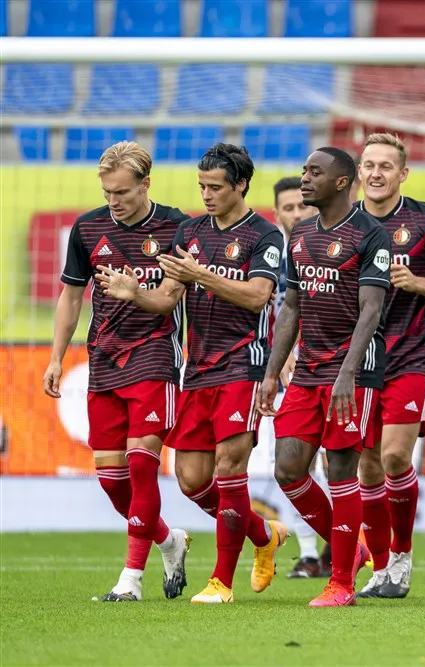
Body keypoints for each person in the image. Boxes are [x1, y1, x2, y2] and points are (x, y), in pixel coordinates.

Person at [97, 143, 287, 604]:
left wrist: (201, 274)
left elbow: (257, 296)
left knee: (229, 469)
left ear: (241, 185)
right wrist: (134, 293)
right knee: (191, 480)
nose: (206, 194)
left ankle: (221, 582)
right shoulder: (190, 231)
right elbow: (167, 298)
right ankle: (264, 535)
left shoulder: (264, 235)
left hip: (243, 364)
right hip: (198, 368)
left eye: (215, 187)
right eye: (202, 186)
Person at [44, 141, 190, 602]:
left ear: (146, 184)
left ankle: (131, 579)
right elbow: (71, 296)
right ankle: (169, 540)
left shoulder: (177, 227)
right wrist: (56, 357)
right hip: (104, 360)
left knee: (142, 466)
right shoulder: (88, 228)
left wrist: (135, 292)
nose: (113, 200)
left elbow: (171, 298)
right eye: (107, 192)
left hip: (155, 355)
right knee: (112, 481)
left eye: (122, 192)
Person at [261, 147, 391, 608]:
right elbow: (291, 308)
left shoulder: (371, 234)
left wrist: (348, 374)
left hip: (354, 372)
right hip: (308, 371)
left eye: (314, 172)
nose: (304, 179)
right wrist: (272, 372)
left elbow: (371, 310)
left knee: (340, 470)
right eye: (304, 171)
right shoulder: (300, 235)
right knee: (287, 467)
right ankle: (350, 552)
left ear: (342, 182)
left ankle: (341, 584)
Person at [352, 134, 425, 599]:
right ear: (358, 172)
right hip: (358, 361)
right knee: (368, 467)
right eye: (369, 165)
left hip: (411, 354)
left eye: (386, 166)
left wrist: (418, 283)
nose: (376, 173)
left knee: (394, 456)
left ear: (403, 174)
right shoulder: (343, 223)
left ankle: (402, 557)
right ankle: (379, 567)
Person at [268, 177, 331, 580]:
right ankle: (308, 553)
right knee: (292, 463)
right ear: (277, 213)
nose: (296, 214)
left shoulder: (330, 246)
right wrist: (277, 359)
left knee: (336, 463)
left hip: (331, 366)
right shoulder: (269, 255)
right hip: (286, 371)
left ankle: (336, 544)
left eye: (301, 206)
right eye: (287, 208)